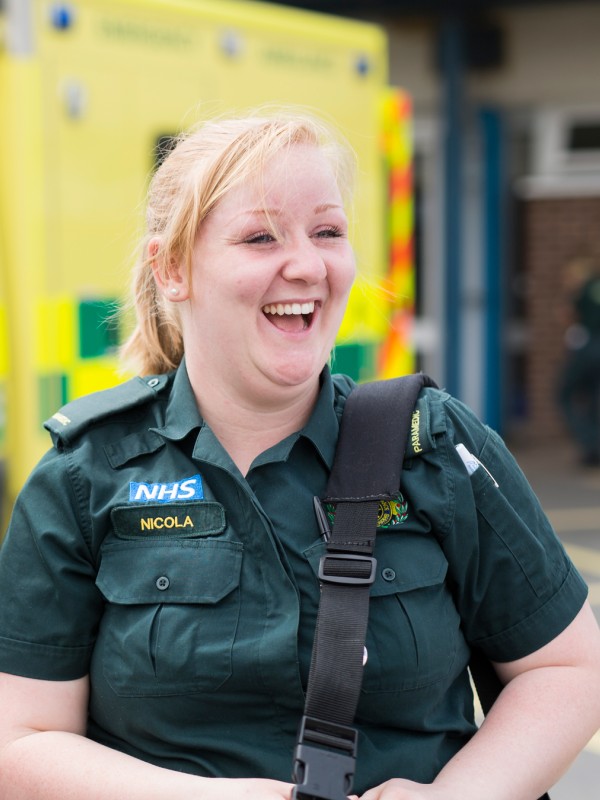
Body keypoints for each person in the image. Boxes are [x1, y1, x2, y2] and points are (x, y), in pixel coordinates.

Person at [0, 109, 599, 800]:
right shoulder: (85, 475)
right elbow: (21, 742)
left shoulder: (432, 444)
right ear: (170, 270)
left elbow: (565, 669)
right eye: (260, 236)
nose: (309, 265)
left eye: (328, 232)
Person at [556, 257, 600, 466]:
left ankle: (589, 442)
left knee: (563, 393)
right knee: (593, 397)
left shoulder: (584, 290)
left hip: (588, 348)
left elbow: (568, 316)